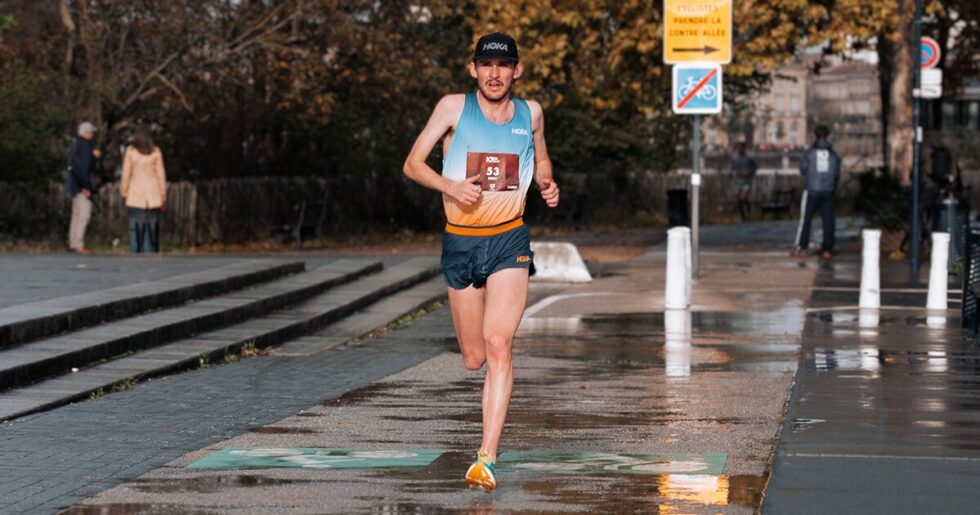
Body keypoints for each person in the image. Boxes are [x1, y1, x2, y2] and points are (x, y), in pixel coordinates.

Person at [402, 32, 559, 490]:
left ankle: (486, 457)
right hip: (461, 240)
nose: (495, 74)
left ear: (517, 70)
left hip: (509, 238)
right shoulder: (453, 108)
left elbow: (542, 159)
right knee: (474, 357)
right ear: (474, 69)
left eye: (504, 65)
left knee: (498, 345)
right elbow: (412, 164)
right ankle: (486, 446)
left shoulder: (530, 114)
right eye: (486, 66)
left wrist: (547, 183)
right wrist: (451, 187)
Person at [793, 125, 841, 260]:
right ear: (828, 136)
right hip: (828, 191)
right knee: (828, 221)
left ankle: (802, 247)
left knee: (806, 219)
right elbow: (837, 173)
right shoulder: (833, 154)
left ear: (815, 135)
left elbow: (803, 169)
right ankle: (827, 250)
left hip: (812, 190)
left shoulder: (809, 153)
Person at [120, 126, 167, 253]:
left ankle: (134, 250)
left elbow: (126, 173)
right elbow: (160, 174)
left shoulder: (131, 152)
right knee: (150, 226)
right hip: (153, 194)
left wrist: (124, 190)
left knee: (134, 226)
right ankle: (150, 251)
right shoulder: (156, 152)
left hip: (135, 194)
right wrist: (163, 193)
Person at [66, 121, 102, 254]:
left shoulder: (76, 144)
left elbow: (72, 166)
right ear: (86, 133)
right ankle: (79, 244)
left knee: (76, 214)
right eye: (91, 132)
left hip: (74, 185)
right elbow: (84, 168)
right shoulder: (86, 146)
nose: (93, 134)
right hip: (82, 185)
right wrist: (86, 187)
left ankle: (73, 242)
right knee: (84, 215)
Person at [730, 142, 758, 220]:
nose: (740, 150)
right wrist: (730, 173)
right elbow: (732, 168)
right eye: (738, 148)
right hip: (738, 180)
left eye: (741, 148)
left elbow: (755, 167)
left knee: (743, 198)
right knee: (739, 200)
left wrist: (749, 172)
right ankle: (743, 216)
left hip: (746, 180)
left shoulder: (748, 159)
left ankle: (749, 210)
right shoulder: (735, 159)